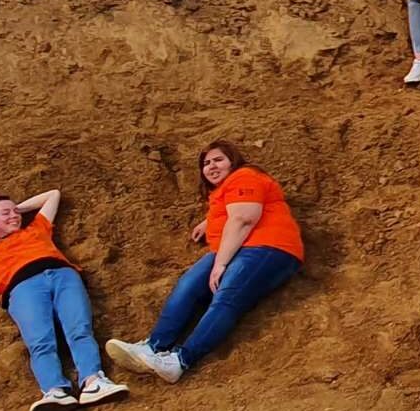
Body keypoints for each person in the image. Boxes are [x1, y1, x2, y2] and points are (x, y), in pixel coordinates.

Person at [107, 142, 303, 383]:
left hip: (269, 248)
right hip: (238, 248)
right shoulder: (224, 190)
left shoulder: (246, 175)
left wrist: (220, 264)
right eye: (206, 163)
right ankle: (154, 346)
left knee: (227, 295)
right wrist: (209, 222)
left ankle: (180, 360)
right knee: (188, 284)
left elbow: (243, 218)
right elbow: (231, 211)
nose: (211, 166)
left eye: (218, 160)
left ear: (233, 160)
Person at [0, 188, 129, 411]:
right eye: (5, 213)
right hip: (22, 287)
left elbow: (53, 195)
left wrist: (17, 210)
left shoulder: (36, 228)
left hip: (63, 275)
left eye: (15, 211)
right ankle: (55, 390)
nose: (13, 216)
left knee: (79, 329)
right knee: (40, 341)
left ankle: (93, 381)